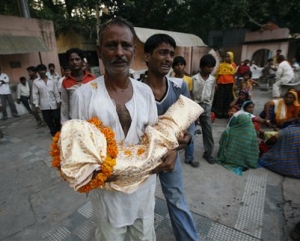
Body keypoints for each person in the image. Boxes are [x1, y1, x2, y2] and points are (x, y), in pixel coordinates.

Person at [71, 17, 176, 241]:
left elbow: (155, 136)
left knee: (144, 236)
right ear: (99, 51)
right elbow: (78, 152)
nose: (119, 52)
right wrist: (96, 174)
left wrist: (171, 149)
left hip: (144, 190)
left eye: (126, 45)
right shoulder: (84, 95)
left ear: (134, 51)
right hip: (107, 197)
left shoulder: (145, 92)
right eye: (111, 45)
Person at [142, 33, 200, 241]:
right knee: (141, 203)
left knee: (176, 199)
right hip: (143, 158)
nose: (168, 59)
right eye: (162, 53)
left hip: (171, 155)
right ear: (147, 57)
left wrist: (187, 139)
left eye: (171, 54)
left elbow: (189, 118)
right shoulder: (136, 90)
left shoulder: (179, 86)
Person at [192, 54, 217, 165]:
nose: (210, 69)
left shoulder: (212, 80)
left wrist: (209, 106)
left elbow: (212, 94)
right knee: (191, 130)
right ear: (202, 67)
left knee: (208, 131)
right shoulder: (194, 79)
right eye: (208, 67)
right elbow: (191, 93)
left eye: (212, 67)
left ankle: (208, 153)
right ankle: (189, 155)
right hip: (194, 105)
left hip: (206, 106)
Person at [172, 55, 196, 167]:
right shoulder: (170, 78)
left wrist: (193, 110)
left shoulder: (188, 80)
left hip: (185, 109)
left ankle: (189, 157)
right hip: (174, 110)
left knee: (189, 133)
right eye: (176, 65)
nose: (179, 67)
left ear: (184, 66)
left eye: (181, 64)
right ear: (173, 67)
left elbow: (190, 95)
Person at [60, 48, 95, 123]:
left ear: (82, 61)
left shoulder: (92, 79)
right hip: (75, 120)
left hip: (92, 119)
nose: (74, 62)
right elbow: (65, 104)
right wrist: (64, 123)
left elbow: (97, 100)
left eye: (77, 59)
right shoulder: (65, 82)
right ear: (68, 62)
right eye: (71, 60)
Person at [32, 64, 61, 136]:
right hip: (44, 104)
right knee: (48, 120)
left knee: (57, 118)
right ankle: (53, 133)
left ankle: (58, 131)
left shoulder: (52, 79)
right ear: (38, 72)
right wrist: (36, 104)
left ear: (45, 70)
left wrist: (58, 100)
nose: (41, 72)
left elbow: (56, 91)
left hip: (54, 103)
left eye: (43, 70)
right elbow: (35, 93)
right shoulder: (36, 82)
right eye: (39, 71)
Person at [213, 51, 237, 119]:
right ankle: (219, 113)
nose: (226, 58)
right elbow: (217, 74)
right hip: (221, 84)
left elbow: (234, 75)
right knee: (220, 99)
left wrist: (235, 84)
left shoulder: (233, 65)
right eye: (226, 56)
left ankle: (226, 113)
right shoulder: (221, 65)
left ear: (231, 57)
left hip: (230, 84)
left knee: (228, 99)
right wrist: (216, 83)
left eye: (228, 56)